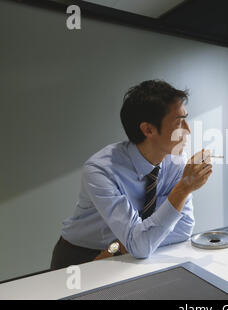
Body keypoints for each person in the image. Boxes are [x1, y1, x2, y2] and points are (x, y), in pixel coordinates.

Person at [50, 80, 213, 270]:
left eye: (186, 119)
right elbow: (143, 244)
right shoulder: (101, 170)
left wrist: (131, 243)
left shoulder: (175, 160)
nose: (188, 130)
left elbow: (183, 228)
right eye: (179, 122)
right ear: (148, 129)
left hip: (131, 253)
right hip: (82, 256)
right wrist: (183, 188)